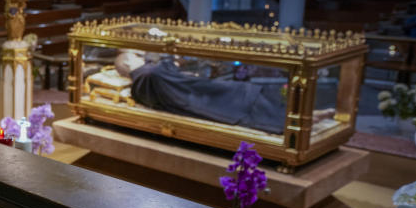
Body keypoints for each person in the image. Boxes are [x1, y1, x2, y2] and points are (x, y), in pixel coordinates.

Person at [114, 50, 287, 134]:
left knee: (238, 91)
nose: (142, 56)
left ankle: (286, 117)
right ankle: (285, 121)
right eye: (136, 56)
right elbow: (170, 78)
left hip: (192, 92)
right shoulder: (149, 74)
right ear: (128, 63)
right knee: (239, 93)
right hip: (196, 96)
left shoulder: (146, 76)